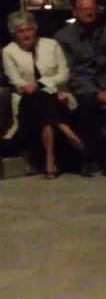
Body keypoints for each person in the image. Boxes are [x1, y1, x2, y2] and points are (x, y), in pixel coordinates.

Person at [53, 0, 106, 175]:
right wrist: (96, 93)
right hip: (81, 88)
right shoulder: (63, 37)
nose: (90, 13)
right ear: (75, 12)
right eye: (85, 9)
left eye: (92, 9)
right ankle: (89, 159)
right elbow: (70, 73)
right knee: (88, 107)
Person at [3, 11, 86, 178]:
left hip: (57, 97)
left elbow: (64, 74)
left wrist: (42, 84)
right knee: (38, 98)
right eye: (20, 31)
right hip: (26, 101)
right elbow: (16, 81)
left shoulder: (51, 45)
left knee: (43, 104)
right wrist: (36, 87)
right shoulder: (8, 51)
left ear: (35, 29)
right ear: (14, 34)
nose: (26, 34)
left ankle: (50, 161)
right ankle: (65, 129)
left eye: (29, 29)